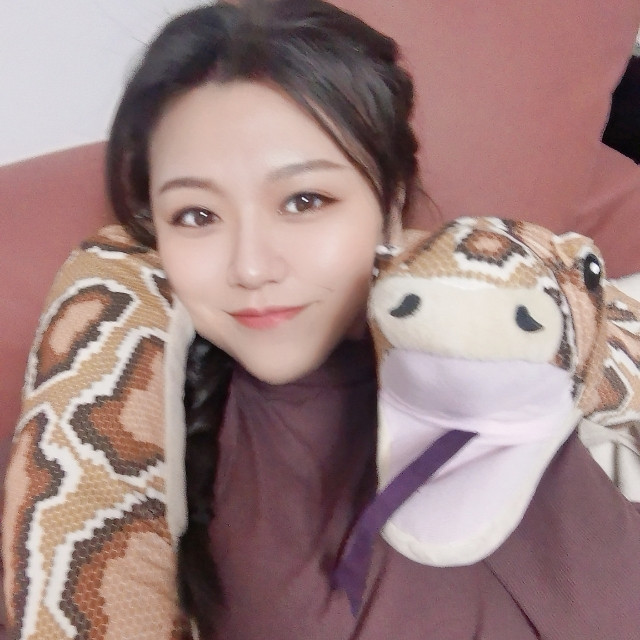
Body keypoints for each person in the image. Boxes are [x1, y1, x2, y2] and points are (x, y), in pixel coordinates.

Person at [7, 1, 640, 639]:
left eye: (305, 200)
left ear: (391, 204)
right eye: (196, 216)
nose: (251, 267)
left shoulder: (515, 330)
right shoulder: (175, 435)